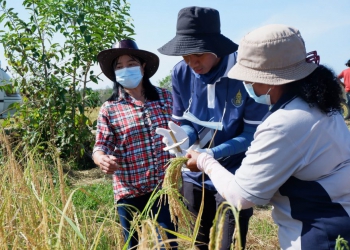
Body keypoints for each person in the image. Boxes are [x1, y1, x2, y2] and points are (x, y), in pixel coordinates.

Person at [186, 24, 350, 250]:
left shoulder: (285, 123)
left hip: (319, 234)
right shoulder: (319, 105)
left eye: (249, 79)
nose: (247, 85)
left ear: (270, 80)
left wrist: (205, 161)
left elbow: (240, 196)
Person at [155, 6, 269, 250]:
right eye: (185, 56)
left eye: (198, 55)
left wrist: (211, 155)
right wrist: (184, 135)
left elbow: (251, 135)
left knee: (226, 240)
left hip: (233, 171)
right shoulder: (181, 73)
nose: (192, 63)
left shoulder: (245, 73)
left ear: (217, 47)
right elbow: (186, 120)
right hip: (195, 173)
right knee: (200, 238)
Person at [93, 39, 177, 249]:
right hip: (128, 191)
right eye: (119, 67)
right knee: (133, 245)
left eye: (131, 64)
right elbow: (99, 146)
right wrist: (101, 159)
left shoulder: (166, 99)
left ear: (143, 67)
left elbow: (180, 135)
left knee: (168, 244)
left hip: (162, 189)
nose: (125, 70)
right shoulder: (110, 108)